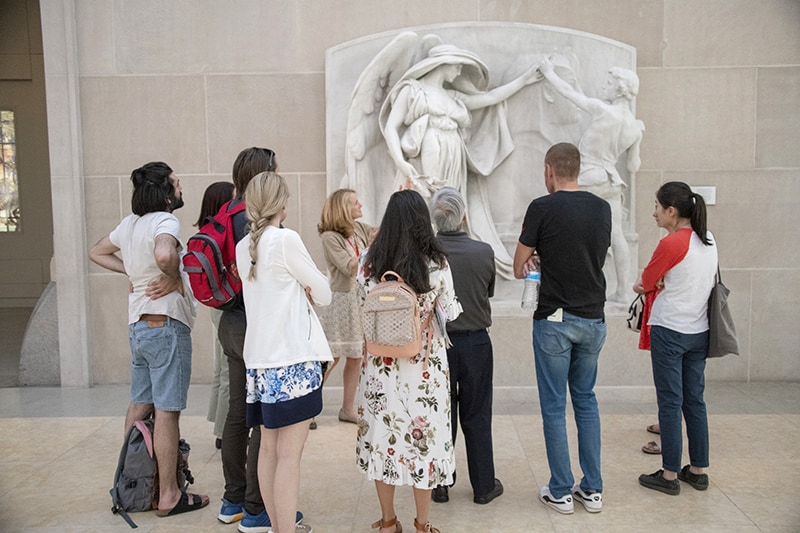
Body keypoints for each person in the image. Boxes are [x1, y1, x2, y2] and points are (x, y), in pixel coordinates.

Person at [89, 162, 209, 517]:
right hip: (165, 327)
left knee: (139, 405)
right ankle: (169, 494)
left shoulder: (129, 224)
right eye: (176, 181)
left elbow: (97, 251)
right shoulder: (165, 221)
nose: (180, 185)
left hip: (138, 329)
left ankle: (132, 482)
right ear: (166, 190)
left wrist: (131, 270)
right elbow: (163, 253)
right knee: (168, 412)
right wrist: (171, 274)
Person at [379, 43, 542, 277]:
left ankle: (445, 268)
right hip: (431, 146)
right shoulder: (413, 90)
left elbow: (491, 98)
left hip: (454, 153)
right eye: (457, 66)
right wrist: (401, 162)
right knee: (431, 204)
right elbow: (391, 128)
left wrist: (524, 80)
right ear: (443, 63)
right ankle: (424, 267)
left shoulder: (452, 97)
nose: (458, 72)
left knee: (450, 208)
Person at [513, 142, 611, 514]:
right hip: (593, 318)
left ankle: (561, 490)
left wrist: (538, 257)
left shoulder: (542, 207)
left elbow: (518, 264)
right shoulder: (602, 208)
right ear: (578, 169)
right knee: (586, 400)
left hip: (555, 319)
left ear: (550, 170)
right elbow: (592, 256)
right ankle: (593, 488)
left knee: (554, 406)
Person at [357, 189, 462, 533]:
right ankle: (422, 524)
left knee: (384, 441)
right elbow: (453, 311)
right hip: (424, 368)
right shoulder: (436, 262)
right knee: (424, 444)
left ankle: (388, 522)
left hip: (381, 367)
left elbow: (363, 304)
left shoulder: (370, 261)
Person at [237, 171, 332, 533]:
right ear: (280, 204)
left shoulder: (243, 246)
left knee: (267, 451)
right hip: (291, 360)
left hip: (260, 362)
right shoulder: (285, 240)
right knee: (290, 457)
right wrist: (305, 286)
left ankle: (278, 527)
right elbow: (322, 292)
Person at [218, 147, 303, 532]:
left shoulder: (225, 214)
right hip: (260, 330)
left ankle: (234, 498)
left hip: (232, 324)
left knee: (239, 414)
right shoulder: (262, 229)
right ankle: (259, 507)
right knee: (267, 431)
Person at [538, 59, 644, 304]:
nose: (605, 87)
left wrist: (549, 72)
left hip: (589, 175)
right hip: (611, 180)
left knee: (558, 220)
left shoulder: (602, 110)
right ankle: (622, 291)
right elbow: (632, 166)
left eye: (609, 83)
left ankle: (559, 283)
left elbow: (569, 93)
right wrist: (638, 136)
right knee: (617, 236)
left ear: (620, 89)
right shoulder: (634, 127)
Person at [635, 181, 717, 496]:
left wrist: (648, 284)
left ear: (672, 211)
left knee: (670, 403)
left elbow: (645, 282)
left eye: (657, 207)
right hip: (699, 331)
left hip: (670, 331)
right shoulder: (708, 239)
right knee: (694, 401)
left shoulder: (671, 243)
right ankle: (698, 471)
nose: (654, 213)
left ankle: (669, 474)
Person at [429, 187, 503, 506]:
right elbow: (487, 292)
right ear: (463, 217)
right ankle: (484, 485)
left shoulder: (425, 254)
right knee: (477, 413)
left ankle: (440, 483)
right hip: (475, 341)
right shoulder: (484, 251)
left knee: (440, 413)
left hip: (436, 343)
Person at [316, 188, 376, 423]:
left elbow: (383, 233)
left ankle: (348, 409)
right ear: (343, 209)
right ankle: (308, 407)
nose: (360, 205)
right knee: (331, 356)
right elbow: (349, 267)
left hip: (361, 301)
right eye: (354, 202)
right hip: (342, 302)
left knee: (356, 356)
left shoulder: (359, 228)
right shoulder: (331, 237)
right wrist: (371, 248)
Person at [197, 181, 236, 449]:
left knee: (220, 366)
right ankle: (223, 433)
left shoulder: (206, 233)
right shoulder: (218, 234)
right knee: (226, 370)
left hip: (216, 304)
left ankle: (217, 421)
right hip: (225, 304)